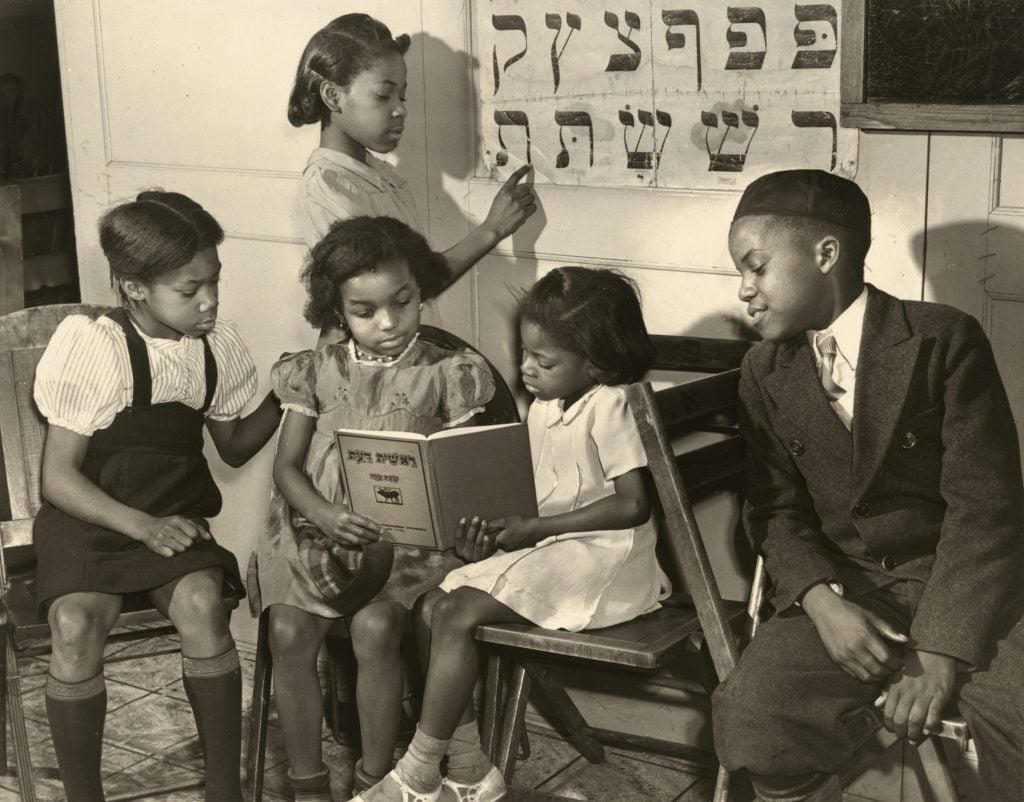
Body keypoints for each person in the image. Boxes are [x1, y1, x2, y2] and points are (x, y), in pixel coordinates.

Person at [712, 169, 1024, 801]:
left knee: (1016, 723)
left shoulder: (943, 340)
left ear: (825, 254)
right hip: (852, 589)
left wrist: (940, 650)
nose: (744, 290)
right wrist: (824, 607)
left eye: (756, 267)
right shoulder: (764, 369)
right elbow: (774, 508)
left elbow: (986, 510)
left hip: (971, 584)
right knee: (753, 717)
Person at [352, 266, 671, 802]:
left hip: (608, 564)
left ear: (595, 362)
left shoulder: (612, 404)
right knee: (431, 605)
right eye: (524, 353)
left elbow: (633, 505)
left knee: (451, 611)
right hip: (554, 548)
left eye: (544, 361)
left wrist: (537, 529)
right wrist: (494, 534)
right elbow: (535, 497)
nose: (525, 369)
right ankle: (473, 767)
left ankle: (418, 773)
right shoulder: (545, 408)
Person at [32, 191, 283, 802]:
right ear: (133, 287)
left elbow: (233, 447)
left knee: (201, 605)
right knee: (73, 623)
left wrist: (289, 393)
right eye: (189, 289)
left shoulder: (214, 348)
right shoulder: (95, 345)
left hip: (173, 515)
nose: (210, 302)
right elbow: (57, 479)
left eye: (215, 282)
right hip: (91, 513)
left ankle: (225, 791)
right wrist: (141, 526)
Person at [247, 215, 498, 800]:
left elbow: (466, 476)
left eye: (403, 302)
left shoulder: (447, 372)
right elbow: (286, 467)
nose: (387, 323)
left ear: (420, 292)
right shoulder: (313, 372)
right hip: (313, 536)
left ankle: (376, 780)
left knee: (378, 625)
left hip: (406, 550)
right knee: (286, 630)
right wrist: (327, 515)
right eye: (364, 311)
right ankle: (306, 782)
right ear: (336, 310)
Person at [288, 13, 536, 340]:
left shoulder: (380, 175)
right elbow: (401, 285)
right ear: (333, 97)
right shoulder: (326, 186)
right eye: (383, 95)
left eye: (401, 96)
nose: (400, 109)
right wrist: (492, 229)